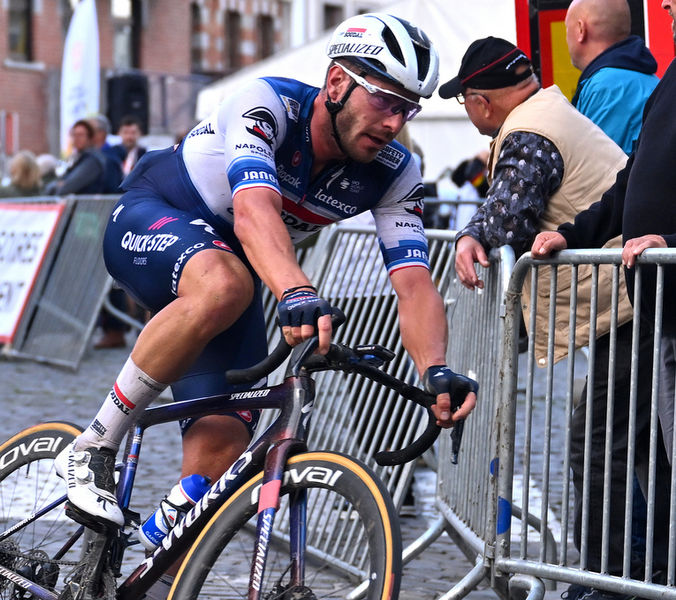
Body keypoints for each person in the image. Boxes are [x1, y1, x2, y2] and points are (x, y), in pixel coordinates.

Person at [53, 13, 477, 565]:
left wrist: (435, 368)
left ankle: (139, 577)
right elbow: (253, 212)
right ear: (337, 83)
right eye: (383, 99)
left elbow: (415, 284)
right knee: (228, 282)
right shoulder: (269, 105)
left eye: (408, 107)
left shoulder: (395, 171)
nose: (394, 121)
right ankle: (93, 445)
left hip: (230, 270)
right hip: (155, 215)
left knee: (217, 466)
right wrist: (296, 290)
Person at [442, 37, 666, 597]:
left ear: (480, 100)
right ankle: (638, 570)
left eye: (464, 102)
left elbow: (509, 214)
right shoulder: (549, 112)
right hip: (632, 297)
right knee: (632, 444)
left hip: (630, 301)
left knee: (598, 442)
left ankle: (610, 580)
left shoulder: (529, 130)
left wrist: (473, 235)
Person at [532, 0, 676, 587]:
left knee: (614, 444)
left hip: (665, 298)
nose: (664, 4)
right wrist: (570, 233)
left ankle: (615, 576)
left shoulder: (612, 84)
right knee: (655, 455)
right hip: (658, 303)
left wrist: (671, 238)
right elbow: (632, 177)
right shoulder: (666, 79)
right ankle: (649, 573)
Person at [565, 0, 658, 154]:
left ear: (581, 29)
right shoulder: (648, 77)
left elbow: (600, 171)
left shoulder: (606, 88)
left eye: (567, 27)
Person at [44, 119, 108, 195]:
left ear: (90, 138)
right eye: (74, 135)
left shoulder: (92, 161)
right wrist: (58, 184)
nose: (76, 138)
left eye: (80, 135)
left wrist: (60, 185)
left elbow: (68, 186)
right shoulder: (77, 158)